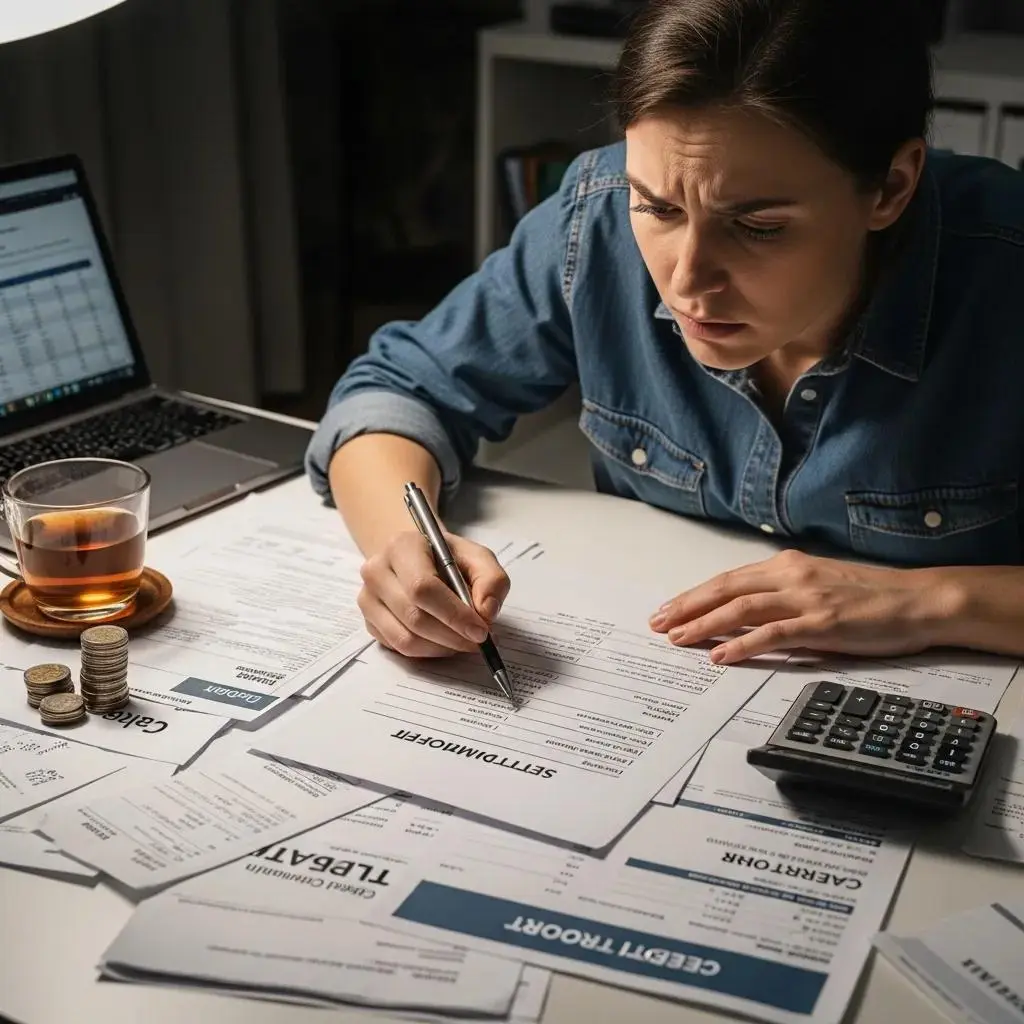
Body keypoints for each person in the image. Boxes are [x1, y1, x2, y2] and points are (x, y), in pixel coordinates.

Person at [308, 0, 1024, 668]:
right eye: (657, 207)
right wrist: (404, 549)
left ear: (892, 187)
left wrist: (931, 601)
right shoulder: (594, 216)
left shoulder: (1005, 270)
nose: (687, 280)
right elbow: (398, 392)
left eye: (758, 227)